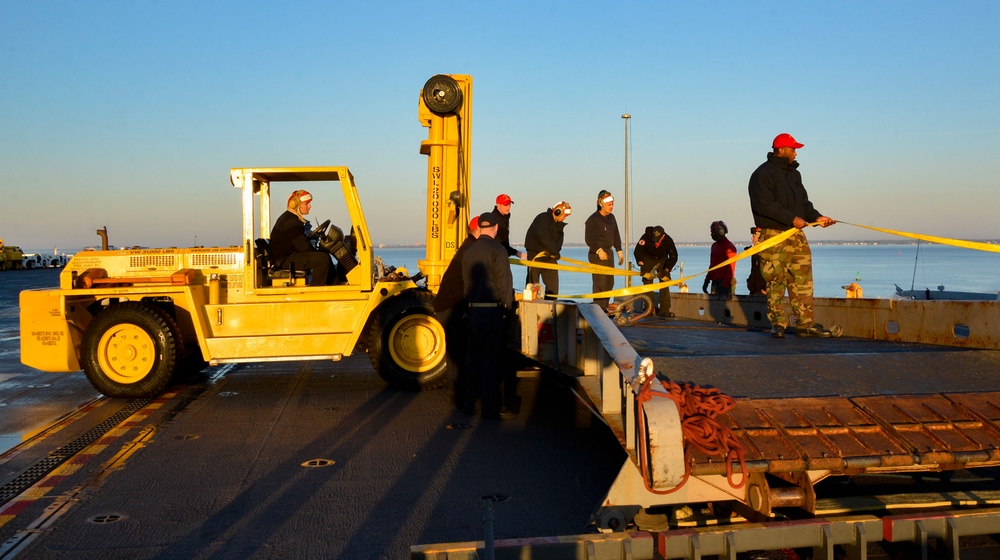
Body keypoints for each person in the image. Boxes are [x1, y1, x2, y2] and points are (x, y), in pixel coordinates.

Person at [748, 133, 836, 338]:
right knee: (776, 280)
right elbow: (764, 205)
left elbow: (804, 204)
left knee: (802, 280)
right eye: (793, 149)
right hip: (774, 235)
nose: (796, 153)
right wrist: (791, 218)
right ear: (781, 150)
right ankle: (778, 324)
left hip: (796, 235)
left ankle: (805, 323)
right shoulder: (762, 174)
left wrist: (817, 217)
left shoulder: (794, 175)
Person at [462, 211, 515, 419]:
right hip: (492, 311)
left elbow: (467, 286)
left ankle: (469, 405)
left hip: (473, 311)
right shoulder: (498, 251)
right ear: (495, 229)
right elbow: (504, 282)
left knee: (473, 359)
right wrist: (506, 308)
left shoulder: (469, 251)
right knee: (491, 361)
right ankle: (489, 408)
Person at [434, 216, 480, 407]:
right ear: (479, 230)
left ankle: (455, 390)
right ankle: (458, 393)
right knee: (458, 347)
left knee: (455, 347)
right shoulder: (471, 250)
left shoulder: (467, 247)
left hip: (446, 305)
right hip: (450, 306)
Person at [270, 189, 330, 286]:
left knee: (323, 256)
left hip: (287, 257)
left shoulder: (290, 218)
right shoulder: (291, 222)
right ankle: (316, 292)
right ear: (296, 205)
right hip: (285, 260)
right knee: (322, 259)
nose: (309, 206)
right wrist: (317, 252)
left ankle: (333, 283)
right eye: (307, 204)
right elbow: (304, 248)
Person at [584, 190, 623, 311]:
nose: (611, 207)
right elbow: (589, 239)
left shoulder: (611, 218)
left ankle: (605, 307)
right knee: (600, 284)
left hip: (609, 252)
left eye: (612, 204)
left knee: (609, 283)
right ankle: (598, 309)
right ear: (601, 203)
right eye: (609, 204)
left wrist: (619, 250)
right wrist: (598, 251)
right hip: (597, 254)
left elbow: (615, 234)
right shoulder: (593, 219)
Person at [523, 201, 572, 299]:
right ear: (558, 212)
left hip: (549, 256)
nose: (565, 218)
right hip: (535, 255)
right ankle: (530, 304)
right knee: (532, 286)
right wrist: (555, 252)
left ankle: (551, 304)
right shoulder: (542, 219)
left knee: (553, 285)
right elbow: (545, 239)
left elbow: (558, 244)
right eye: (564, 215)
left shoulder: (559, 226)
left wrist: (555, 253)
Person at [634, 225, 678, 317]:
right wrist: (640, 261)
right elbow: (638, 250)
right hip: (648, 259)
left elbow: (674, 256)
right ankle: (649, 309)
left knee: (664, 283)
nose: (656, 242)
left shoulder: (668, 240)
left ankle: (664, 310)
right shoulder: (646, 237)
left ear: (663, 236)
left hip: (662, 259)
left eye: (658, 240)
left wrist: (666, 269)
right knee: (647, 283)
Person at [702, 220, 737, 295]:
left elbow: (731, 268)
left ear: (721, 232)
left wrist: (725, 285)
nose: (712, 235)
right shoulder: (714, 246)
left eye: (714, 232)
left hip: (725, 282)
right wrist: (707, 281)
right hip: (715, 281)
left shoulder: (730, 247)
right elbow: (712, 265)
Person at [492, 194, 526, 260]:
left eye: (509, 205)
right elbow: (499, 242)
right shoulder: (495, 220)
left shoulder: (504, 218)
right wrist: (516, 252)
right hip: (496, 256)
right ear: (498, 205)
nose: (508, 207)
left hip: (500, 255)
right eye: (506, 205)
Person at [746, 226, 767, 295]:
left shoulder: (766, 253)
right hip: (754, 290)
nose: (752, 239)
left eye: (754, 236)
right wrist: (749, 282)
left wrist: (765, 289)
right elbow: (754, 271)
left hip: (762, 292)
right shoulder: (755, 253)